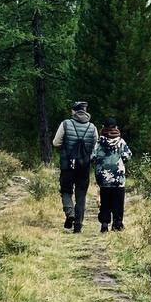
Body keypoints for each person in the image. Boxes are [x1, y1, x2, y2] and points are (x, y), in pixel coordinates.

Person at [52, 100, 98, 233]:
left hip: (67, 165)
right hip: (84, 166)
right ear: (85, 111)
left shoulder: (66, 124)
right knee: (81, 195)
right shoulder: (92, 127)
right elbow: (95, 147)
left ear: (74, 111)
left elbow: (56, 142)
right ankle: (78, 225)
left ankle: (69, 212)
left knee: (66, 190)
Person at [91, 119, 132, 232]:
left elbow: (93, 157)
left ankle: (104, 224)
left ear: (103, 127)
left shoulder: (99, 142)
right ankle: (117, 224)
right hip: (118, 177)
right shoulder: (121, 142)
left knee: (105, 201)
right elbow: (127, 156)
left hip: (103, 177)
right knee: (118, 202)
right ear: (116, 127)